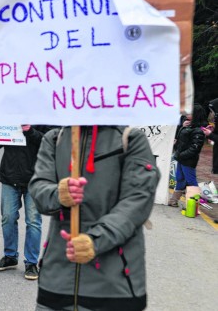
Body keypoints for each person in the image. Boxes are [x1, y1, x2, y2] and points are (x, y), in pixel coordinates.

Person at [29, 126, 159, 311]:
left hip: (114, 288)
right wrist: (58, 194)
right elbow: (38, 188)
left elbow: (137, 200)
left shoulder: (130, 138)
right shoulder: (54, 138)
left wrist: (96, 240)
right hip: (56, 282)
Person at [0, 125, 44, 280]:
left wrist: (30, 131)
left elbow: (50, 141)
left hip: (35, 178)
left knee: (33, 221)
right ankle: (10, 257)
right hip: (10, 176)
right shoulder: (8, 113)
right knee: (7, 218)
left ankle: (32, 263)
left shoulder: (42, 112)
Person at [169, 104, 207, 206]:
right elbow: (179, 138)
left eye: (190, 112)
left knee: (191, 181)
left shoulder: (199, 130)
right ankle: (174, 201)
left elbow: (195, 148)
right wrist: (182, 127)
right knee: (180, 178)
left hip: (188, 160)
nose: (187, 114)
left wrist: (181, 155)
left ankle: (193, 205)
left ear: (195, 114)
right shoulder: (187, 125)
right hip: (181, 158)